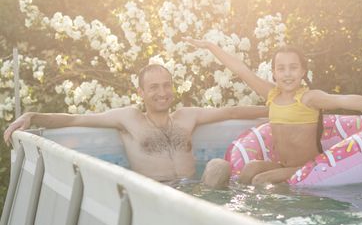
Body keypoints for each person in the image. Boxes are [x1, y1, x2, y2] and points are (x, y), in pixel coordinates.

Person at [185, 38, 362, 185]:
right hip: (282, 165)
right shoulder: (272, 94)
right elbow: (240, 69)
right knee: (249, 170)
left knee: (260, 179)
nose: (287, 74)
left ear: (303, 71)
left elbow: (345, 99)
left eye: (293, 68)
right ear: (274, 73)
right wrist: (210, 47)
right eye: (281, 69)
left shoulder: (308, 97)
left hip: (307, 167)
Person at [3, 64, 267, 188]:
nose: (162, 92)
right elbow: (75, 120)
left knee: (219, 167)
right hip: (154, 193)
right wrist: (33, 116)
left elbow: (232, 111)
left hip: (196, 190)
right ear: (141, 92)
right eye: (154, 87)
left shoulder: (188, 116)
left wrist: (277, 111)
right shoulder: (129, 118)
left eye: (166, 85)